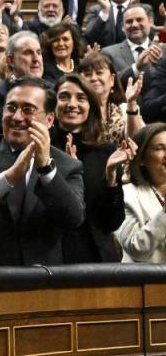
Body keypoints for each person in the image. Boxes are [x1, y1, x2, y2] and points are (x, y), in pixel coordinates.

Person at [0, 77, 85, 265]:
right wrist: (9, 177)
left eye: (28, 110)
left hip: (39, 280)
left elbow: (73, 219)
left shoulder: (67, 165)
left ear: (49, 120)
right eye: (11, 108)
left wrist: (46, 169)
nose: (16, 117)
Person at [50, 73, 126, 263]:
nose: (72, 104)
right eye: (64, 96)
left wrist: (110, 178)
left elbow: (112, 222)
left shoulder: (106, 152)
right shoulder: (41, 149)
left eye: (81, 98)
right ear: (53, 104)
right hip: (53, 258)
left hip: (97, 258)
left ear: (90, 106)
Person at [116, 123, 166, 262]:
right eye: (159, 148)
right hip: (144, 282)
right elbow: (136, 249)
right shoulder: (125, 195)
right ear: (142, 158)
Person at [0, 31, 45, 134]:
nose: (36, 58)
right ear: (10, 61)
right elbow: (5, 131)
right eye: (28, 53)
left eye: (38, 52)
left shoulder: (54, 91)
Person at [78, 52, 145, 145]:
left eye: (99, 73)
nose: (93, 78)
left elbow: (137, 141)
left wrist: (131, 103)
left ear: (112, 80)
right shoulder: (76, 109)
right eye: (87, 74)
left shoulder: (125, 108)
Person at [102, 3, 162, 85]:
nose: (134, 25)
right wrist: (136, 68)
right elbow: (109, 83)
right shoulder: (108, 53)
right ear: (122, 27)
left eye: (139, 19)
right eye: (129, 21)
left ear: (150, 21)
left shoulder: (163, 50)